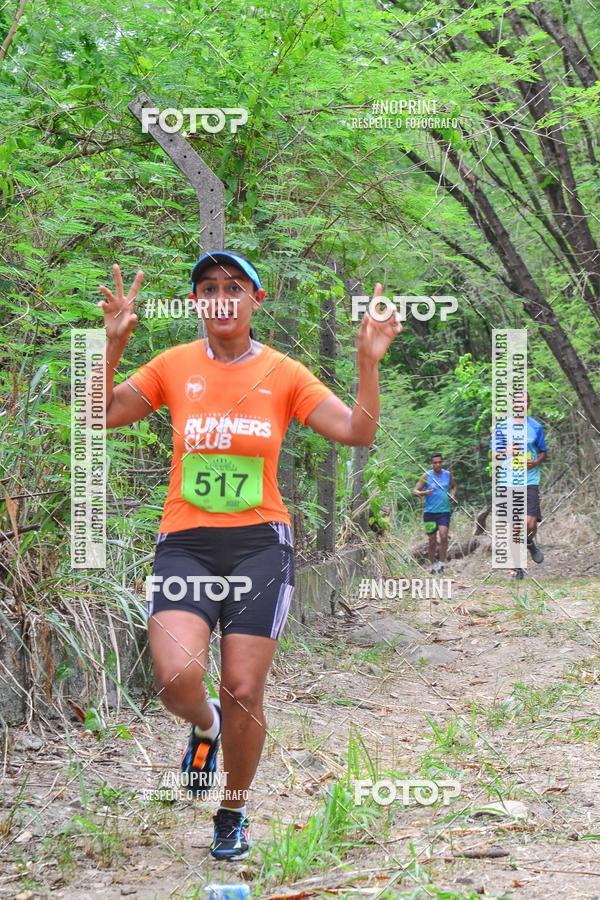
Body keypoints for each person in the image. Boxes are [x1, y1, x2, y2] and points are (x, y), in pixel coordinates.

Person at [98, 251, 401, 861]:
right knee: (175, 679)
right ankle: (204, 726)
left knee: (243, 687)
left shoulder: (285, 372)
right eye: (209, 288)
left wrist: (368, 363)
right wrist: (112, 347)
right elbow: (98, 416)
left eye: (235, 287)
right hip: (186, 543)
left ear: (255, 300)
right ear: (196, 303)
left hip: (260, 545)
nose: (222, 297)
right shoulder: (173, 366)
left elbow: (358, 431)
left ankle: (231, 810)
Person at [491, 394, 547, 579]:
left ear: (528, 404)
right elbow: (495, 454)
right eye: (516, 402)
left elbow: (543, 452)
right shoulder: (502, 427)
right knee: (515, 525)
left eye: (523, 402)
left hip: (530, 479)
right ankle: (517, 568)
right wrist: (505, 451)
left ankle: (529, 543)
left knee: (530, 523)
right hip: (509, 480)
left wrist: (536, 462)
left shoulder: (536, 427)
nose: (519, 405)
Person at [413, 453, 457, 574]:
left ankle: (441, 564)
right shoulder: (427, 476)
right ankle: (433, 565)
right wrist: (424, 493)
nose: (437, 464)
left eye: (439, 462)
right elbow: (414, 491)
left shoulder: (448, 475)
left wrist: (453, 495)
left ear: (442, 462)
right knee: (432, 541)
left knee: (443, 537)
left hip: (444, 512)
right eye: (435, 463)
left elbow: (453, 486)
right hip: (430, 513)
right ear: (432, 464)